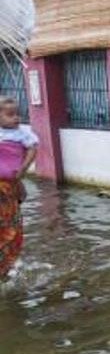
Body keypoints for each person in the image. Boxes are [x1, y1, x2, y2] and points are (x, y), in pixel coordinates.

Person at [0, 97, 37, 276]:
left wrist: (23, 168)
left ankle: (7, 262)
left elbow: (33, 148)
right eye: (10, 115)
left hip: (11, 184)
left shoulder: (22, 134)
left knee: (12, 223)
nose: (16, 118)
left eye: (17, 114)